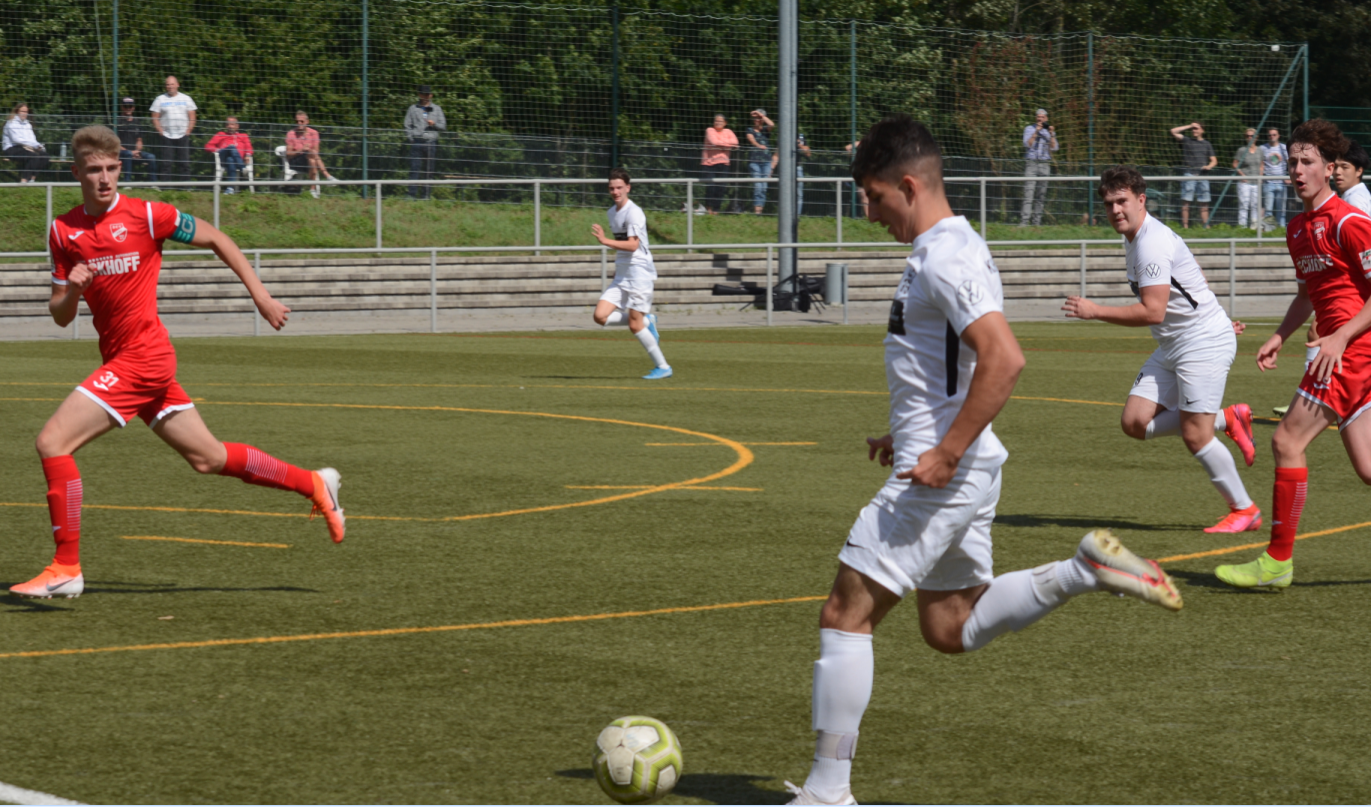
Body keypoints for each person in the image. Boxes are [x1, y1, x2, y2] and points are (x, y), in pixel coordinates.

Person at [782, 115, 1181, 807]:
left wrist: (943, 449)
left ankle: (827, 792)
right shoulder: (952, 246)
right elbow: (949, 365)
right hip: (954, 464)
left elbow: (1004, 357)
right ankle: (1083, 569)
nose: (869, 213)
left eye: (874, 197)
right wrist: (908, 430)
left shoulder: (945, 256)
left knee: (845, 613)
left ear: (909, 186)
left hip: (943, 474)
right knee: (949, 626)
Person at [7, 125, 345, 600]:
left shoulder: (149, 215)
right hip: (126, 360)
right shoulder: (63, 231)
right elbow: (60, 315)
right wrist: (76, 290)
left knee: (52, 442)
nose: (104, 178)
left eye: (112, 168)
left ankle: (66, 567)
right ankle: (314, 483)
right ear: (76, 172)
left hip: (145, 358)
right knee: (209, 458)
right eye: (94, 170)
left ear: (120, 168)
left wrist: (262, 296)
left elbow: (217, 239)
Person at [1062, 166, 1260, 534]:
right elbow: (1192, 279)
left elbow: (1153, 311)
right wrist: (1212, 316)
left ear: (1141, 200)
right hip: (1176, 342)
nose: (1115, 210)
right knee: (1135, 422)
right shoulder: (1137, 237)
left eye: (1122, 201)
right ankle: (1228, 418)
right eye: (1108, 204)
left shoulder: (1151, 242)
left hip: (1200, 343)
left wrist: (1095, 311)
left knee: (1195, 435)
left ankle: (1244, 509)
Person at [1216, 119, 1371, 589]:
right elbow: (1307, 295)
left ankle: (1277, 562)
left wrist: (1340, 337)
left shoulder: (1350, 221)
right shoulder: (1297, 228)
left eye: (1308, 162)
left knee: (1286, 441)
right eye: (1293, 162)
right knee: (1368, 468)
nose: (1298, 170)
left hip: (1349, 352)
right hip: (1342, 350)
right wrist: (1281, 335)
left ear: (1331, 168)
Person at [590, 168, 671, 380]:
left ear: (628, 188)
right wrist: (618, 268)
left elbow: (633, 245)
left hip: (639, 273)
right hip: (622, 273)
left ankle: (663, 366)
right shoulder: (611, 212)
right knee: (600, 316)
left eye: (619, 187)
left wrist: (605, 241)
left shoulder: (634, 212)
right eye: (611, 188)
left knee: (634, 325)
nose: (615, 192)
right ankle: (647, 321)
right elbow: (623, 246)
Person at [1170, 121, 1217, 229]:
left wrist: (1209, 166)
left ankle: (1206, 226)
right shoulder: (1187, 140)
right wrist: (1190, 125)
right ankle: (1185, 227)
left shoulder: (1207, 144)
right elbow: (1173, 131)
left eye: (1196, 128)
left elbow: (1214, 160)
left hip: (1203, 175)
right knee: (1186, 201)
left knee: (1204, 202)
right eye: (1193, 129)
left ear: (1202, 130)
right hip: (1189, 174)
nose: (1194, 130)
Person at [150, 76, 196, 183]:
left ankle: (185, 186)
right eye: (168, 84)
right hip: (167, 135)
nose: (170, 86)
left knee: (184, 163)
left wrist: (188, 131)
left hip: (183, 135)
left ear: (177, 85)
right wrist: (161, 132)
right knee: (166, 163)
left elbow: (192, 116)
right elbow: (154, 117)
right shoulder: (160, 99)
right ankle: (165, 186)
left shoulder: (186, 99)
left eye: (172, 84)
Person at [405, 85, 446, 200]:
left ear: (431, 95)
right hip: (416, 142)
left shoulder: (437, 109)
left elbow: (443, 126)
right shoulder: (412, 109)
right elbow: (407, 125)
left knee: (429, 171)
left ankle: (425, 195)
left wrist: (434, 124)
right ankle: (411, 195)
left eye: (428, 94)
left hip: (430, 143)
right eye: (423, 94)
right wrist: (411, 139)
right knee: (414, 169)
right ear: (419, 94)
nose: (426, 96)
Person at [285, 111, 337, 199]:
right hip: (296, 161)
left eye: (302, 121)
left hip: (311, 160)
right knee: (312, 156)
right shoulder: (291, 134)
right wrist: (302, 149)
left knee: (312, 158)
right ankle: (327, 176)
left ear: (307, 122)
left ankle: (312, 189)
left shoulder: (314, 133)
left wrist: (308, 150)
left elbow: (316, 151)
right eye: (297, 121)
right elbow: (288, 154)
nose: (299, 123)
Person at [1019, 108, 1057, 226]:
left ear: (1046, 118)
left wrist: (1051, 134)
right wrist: (1036, 132)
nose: (1040, 119)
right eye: (1038, 117)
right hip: (1032, 163)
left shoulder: (1049, 131)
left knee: (1041, 194)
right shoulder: (1029, 129)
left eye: (1042, 117)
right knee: (1028, 193)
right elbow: (1027, 144)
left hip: (1044, 164)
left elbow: (1054, 148)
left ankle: (1036, 223)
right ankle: (1024, 222)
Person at [2, 103, 50, 182]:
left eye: (26, 112)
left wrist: (38, 146)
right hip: (12, 148)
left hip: (26, 147)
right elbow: (16, 140)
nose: (25, 113)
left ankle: (32, 179)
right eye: (22, 111)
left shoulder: (28, 124)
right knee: (33, 156)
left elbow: (32, 139)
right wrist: (32, 146)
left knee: (45, 156)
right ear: (17, 111)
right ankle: (24, 180)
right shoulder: (11, 123)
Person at [203, 116, 252, 193]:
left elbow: (249, 147)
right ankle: (242, 168)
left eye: (232, 124)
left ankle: (230, 188)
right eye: (227, 124)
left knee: (230, 159)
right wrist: (219, 150)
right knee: (231, 147)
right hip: (223, 158)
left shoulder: (244, 136)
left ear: (237, 126)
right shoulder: (221, 134)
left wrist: (248, 155)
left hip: (236, 160)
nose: (229, 126)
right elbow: (207, 146)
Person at [700, 114, 737, 215]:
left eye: (720, 121)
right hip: (709, 164)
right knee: (711, 186)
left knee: (721, 187)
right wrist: (727, 145)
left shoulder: (729, 131)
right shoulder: (709, 130)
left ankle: (716, 210)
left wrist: (721, 144)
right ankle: (708, 208)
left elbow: (736, 142)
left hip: (724, 163)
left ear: (725, 123)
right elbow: (714, 142)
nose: (717, 123)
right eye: (716, 121)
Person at [115, 98, 158, 184]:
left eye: (130, 106)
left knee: (151, 157)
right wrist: (130, 152)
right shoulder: (117, 121)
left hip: (135, 152)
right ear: (122, 107)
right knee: (127, 154)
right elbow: (115, 142)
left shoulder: (137, 122)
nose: (128, 108)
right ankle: (127, 183)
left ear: (133, 108)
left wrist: (137, 151)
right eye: (126, 106)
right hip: (121, 152)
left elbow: (139, 140)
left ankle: (153, 184)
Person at [746, 109, 775, 214]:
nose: (756, 120)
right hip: (754, 161)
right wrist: (759, 145)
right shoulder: (750, 130)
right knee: (758, 185)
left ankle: (760, 211)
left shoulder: (766, 130)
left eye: (758, 118)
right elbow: (751, 140)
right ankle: (757, 212)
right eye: (755, 118)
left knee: (764, 187)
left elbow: (772, 124)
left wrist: (760, 114)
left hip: (767, 162)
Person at [1261, 128, 1291, 228]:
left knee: (1281, 209)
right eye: (1270, 135)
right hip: (1268, 182)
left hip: (1282, 183)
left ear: (1278, 136)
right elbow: (1261, 164)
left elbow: (1290, 162)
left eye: (1274, 135)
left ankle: (1281, 229)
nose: (1272, 137)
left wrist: (1289, 176)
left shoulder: (1284, 148)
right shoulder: (1263, 148)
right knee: (1268, 209)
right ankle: (1269, 230)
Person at [1233, 128, 1262, 228]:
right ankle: (1242, 227)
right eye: (1247, 136)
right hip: (1244, 182)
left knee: (1255, 205)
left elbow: (1262, 164)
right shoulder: (1241, 150)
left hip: (1256, 182)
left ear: (1256, 137)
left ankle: (1254, 226)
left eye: (1252, 136)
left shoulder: (1260, 150)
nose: (1250, 138)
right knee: (1244, 205)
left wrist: (1261, 176)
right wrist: (1242, 175)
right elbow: (1235, 164)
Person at [1334, 140, 1370, 214]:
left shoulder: (1354, 199)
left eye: (1344, 167)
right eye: (1335, 167)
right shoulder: (1357, 194)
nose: (1337, 172)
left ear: (1359, 171)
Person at [843, 139, 867, 218]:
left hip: (874, 177)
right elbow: (847, 147)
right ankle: (868, 218)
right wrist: (863, 142)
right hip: (861, 177)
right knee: (863, 195)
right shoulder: (861, 151)